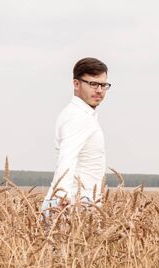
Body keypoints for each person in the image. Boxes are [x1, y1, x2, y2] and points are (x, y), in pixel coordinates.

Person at [41, 57, 111, 214]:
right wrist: (61, 197)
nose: (99, 90)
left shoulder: (80, 114)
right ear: (76, 84)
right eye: (93, 84)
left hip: (80, 203)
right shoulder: (78, 117)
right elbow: (67, 157)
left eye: (103, 85)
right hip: (71, 205)